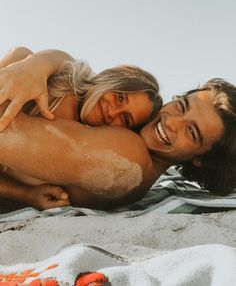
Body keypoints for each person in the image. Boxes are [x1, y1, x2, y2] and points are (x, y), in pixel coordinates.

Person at [0, 49, 236, 210]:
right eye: (182, 106)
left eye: (192, 132)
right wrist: (39, 63)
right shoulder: (130, 139)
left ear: (200, 160)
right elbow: (73, 68)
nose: (172, 123)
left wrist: (27, 63)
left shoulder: (129, 157)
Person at [0, 47, 162, 209]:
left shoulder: (83, 152)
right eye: (120, 97)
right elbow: (24, 54)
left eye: (125, 118)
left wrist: (25, 194)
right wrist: (41, 61)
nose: (112, 112)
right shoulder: (58, 78)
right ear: (112, 80)